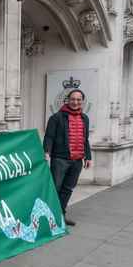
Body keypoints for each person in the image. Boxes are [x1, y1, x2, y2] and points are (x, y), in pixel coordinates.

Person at [43, 88, 92, 226]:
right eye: (73, 99)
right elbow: (49, 137)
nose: (75, 102)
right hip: (60, 160)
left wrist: (88, 156)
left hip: (77, 160)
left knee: (68, 189)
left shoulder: (85, 118)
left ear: (82, 102)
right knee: (55, 188)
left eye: (78, 100)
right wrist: (47, 152)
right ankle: (48, 217)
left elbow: (85, 139)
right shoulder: (56, 117)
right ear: (68, 100)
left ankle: (60, 216)